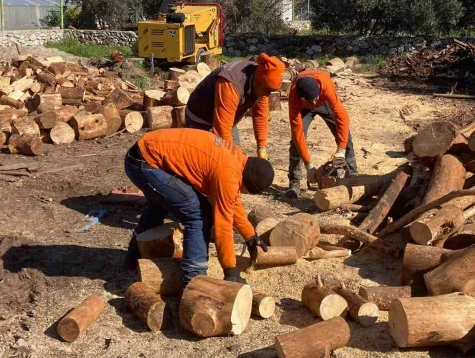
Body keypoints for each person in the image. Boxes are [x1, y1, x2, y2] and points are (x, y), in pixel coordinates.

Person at [124, 128, 273, 287]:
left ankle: (134, 256)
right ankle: (194, 281)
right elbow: (223, 226)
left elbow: (232, 202)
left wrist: (250, 235)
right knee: (199, 214)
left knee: (161, 203)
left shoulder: (237, 160)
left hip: (144, 153)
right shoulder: (228, 173)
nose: (241, 193)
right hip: (145, 163)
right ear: (246, 184)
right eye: (245, 191)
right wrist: (231, 270)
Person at [185, 53, 285, 159]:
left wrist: (262, 146)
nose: (267, 95)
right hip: (200, 119)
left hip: (226, 120)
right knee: (207, 161)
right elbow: (222, 130)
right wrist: (231, 159)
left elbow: (260, 115)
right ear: (257, 81)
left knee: (235, 155)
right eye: (266, 90)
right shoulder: (230, 83)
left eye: (270, 91)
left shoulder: (263, 84)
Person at [287, 70, 357, 197]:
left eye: (315, 99)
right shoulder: (294, 96)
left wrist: (340, 150)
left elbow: (342, 117)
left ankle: (353, 176)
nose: (314, 104)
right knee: (295, 142)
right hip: (303, 108)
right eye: (310, 101)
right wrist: (308, 165)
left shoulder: (325, 85)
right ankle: (294, 181)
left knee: (346, 137)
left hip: (325, 102)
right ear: (301, 97)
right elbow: (298, 133)